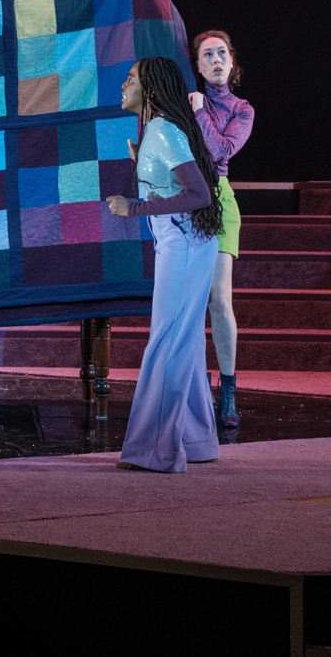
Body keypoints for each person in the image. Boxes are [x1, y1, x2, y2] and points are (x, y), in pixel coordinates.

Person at [105, 56, 223, 473]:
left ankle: (156, 450)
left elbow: (199, 195)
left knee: (169, 341)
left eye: (131, 79)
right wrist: (143, 161)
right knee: (183, 342)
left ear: (150, 90)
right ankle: (195, 440)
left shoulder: (161, 130)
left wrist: (133, 206)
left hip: (184, 243)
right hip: (185, 242)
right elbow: (177, 185)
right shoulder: (159, 131)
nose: (124, 85)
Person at [188, 30, 254, 428]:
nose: (216, 59)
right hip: (186, 197)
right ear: (197, 65)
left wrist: (199, 113)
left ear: (232, 62)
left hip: (219, 198)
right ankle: (193, 386)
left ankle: (227, 390)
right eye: (208, 54)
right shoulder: (186, 100)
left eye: (222, 53)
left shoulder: (242, 109)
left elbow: (221, 151)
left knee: (219, 299)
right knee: (189, 302)